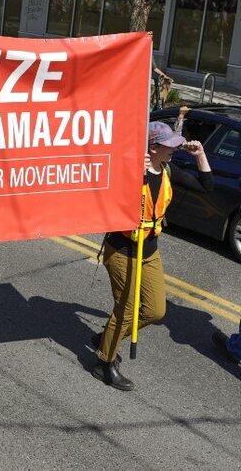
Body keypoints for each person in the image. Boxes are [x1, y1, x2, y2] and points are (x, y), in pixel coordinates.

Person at [91, 121, 212, 391]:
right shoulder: (129, 171)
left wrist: (201, 154)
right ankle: (104, 362)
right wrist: (135, 172)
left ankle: (107, 337)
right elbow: (105, 193)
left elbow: (206, 186)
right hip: (122, 249)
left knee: (156, 310)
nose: (174, 149)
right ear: (152, 147)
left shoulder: (168, 169)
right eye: (168, 145)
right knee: (126, 310)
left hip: (150, 251)